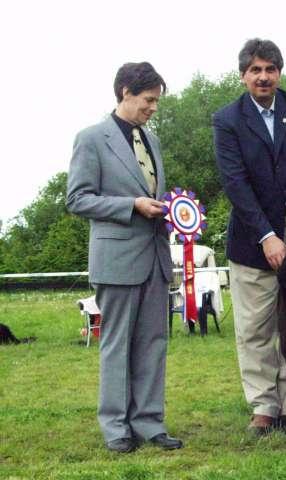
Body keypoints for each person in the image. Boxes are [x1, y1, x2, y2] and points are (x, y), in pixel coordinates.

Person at [213, 38, 286, 435]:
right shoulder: (227, 119)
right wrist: (267, 234)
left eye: (270, 69)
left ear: (279, 72)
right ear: (243, 75)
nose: (263, 77)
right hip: (253, 238)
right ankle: (263, 406)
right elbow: (235, 182)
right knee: (255, 327)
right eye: (255, 70)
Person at [67, 62, 183, 452]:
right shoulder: (91, 138)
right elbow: (77, 199)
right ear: (125, 93)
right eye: (149, 100)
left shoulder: (153, 141)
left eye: (156, 102)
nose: (153, 108)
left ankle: (149, 422)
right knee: (116, 345)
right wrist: (131, 205)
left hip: (155, 258)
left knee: (154, 343)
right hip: (116, 259)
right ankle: (116, 427)